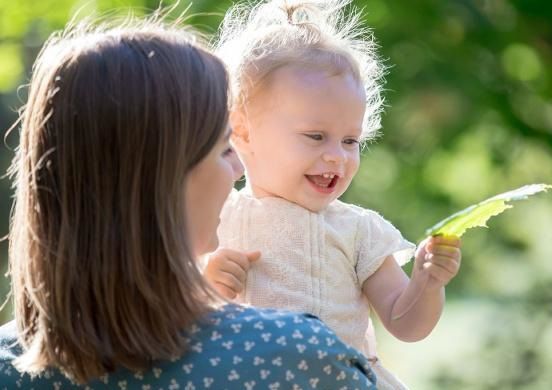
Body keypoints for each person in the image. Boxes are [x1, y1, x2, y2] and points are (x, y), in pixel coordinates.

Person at [0, 11, 376, 389]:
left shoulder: (8, 368)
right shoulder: (297, 359)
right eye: (224, 148)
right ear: (162, 176)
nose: (238, 170)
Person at [204, 0, 462, 388]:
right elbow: (181, 326)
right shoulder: (214, 218)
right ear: (242, 131)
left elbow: (406, 324)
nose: (336, 156)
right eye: (316, 136)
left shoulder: (358, 231)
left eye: (350, 140)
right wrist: (209, 288)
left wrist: (426, 284)